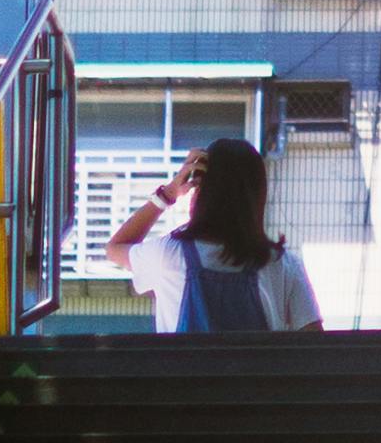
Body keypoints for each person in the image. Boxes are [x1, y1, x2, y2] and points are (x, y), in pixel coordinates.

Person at [107, 134, 324, 339]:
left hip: (183, 380)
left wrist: (169, 193)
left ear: (201, 190)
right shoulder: (282, 264)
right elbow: (314, 348)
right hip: (256, 380)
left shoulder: (169, 254)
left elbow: (116, 247)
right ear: (258, 195)